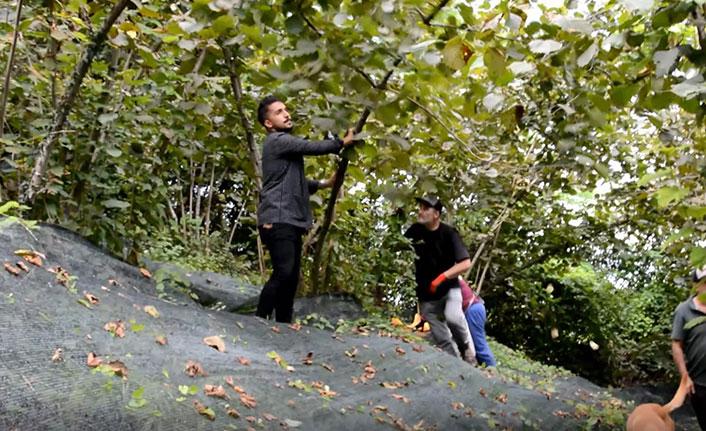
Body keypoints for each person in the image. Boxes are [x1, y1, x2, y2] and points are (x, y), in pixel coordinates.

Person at [255, 95, 354, 323]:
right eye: (279, 112)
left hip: (289, 220)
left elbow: (294, 182)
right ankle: (258, 321)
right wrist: (340, 143)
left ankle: (283, 325)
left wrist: (325, 184)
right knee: (283, 273)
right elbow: (311, 147)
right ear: (268, 123)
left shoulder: (284, 151)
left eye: (286, 109)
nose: (286, 114)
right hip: (277, 217)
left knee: (290, 278)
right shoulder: (277, 141)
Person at [404, 196, 477, 365]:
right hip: (426, 295)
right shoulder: (416, 231)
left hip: (449, 289)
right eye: (419, 207)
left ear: (436, 214)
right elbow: (397, 243)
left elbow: (465, 263)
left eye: (425, 208)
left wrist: (442, 277)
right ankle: (457, 367)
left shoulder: (449, 234)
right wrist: (397, 214)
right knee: (441, 337)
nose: (420, 211)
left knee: (453, 318)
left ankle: (466, 349)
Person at [672, 266, 706, 430]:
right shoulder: (684, 310)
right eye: (704, 282)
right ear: (695, 285)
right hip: (699, 385)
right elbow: (677, 344)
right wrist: (685, 377)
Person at [460, 279, 496, 367]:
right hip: (474, 308)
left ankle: (491, 370)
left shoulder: (447, 279)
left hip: (472, 310)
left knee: (479, 344)